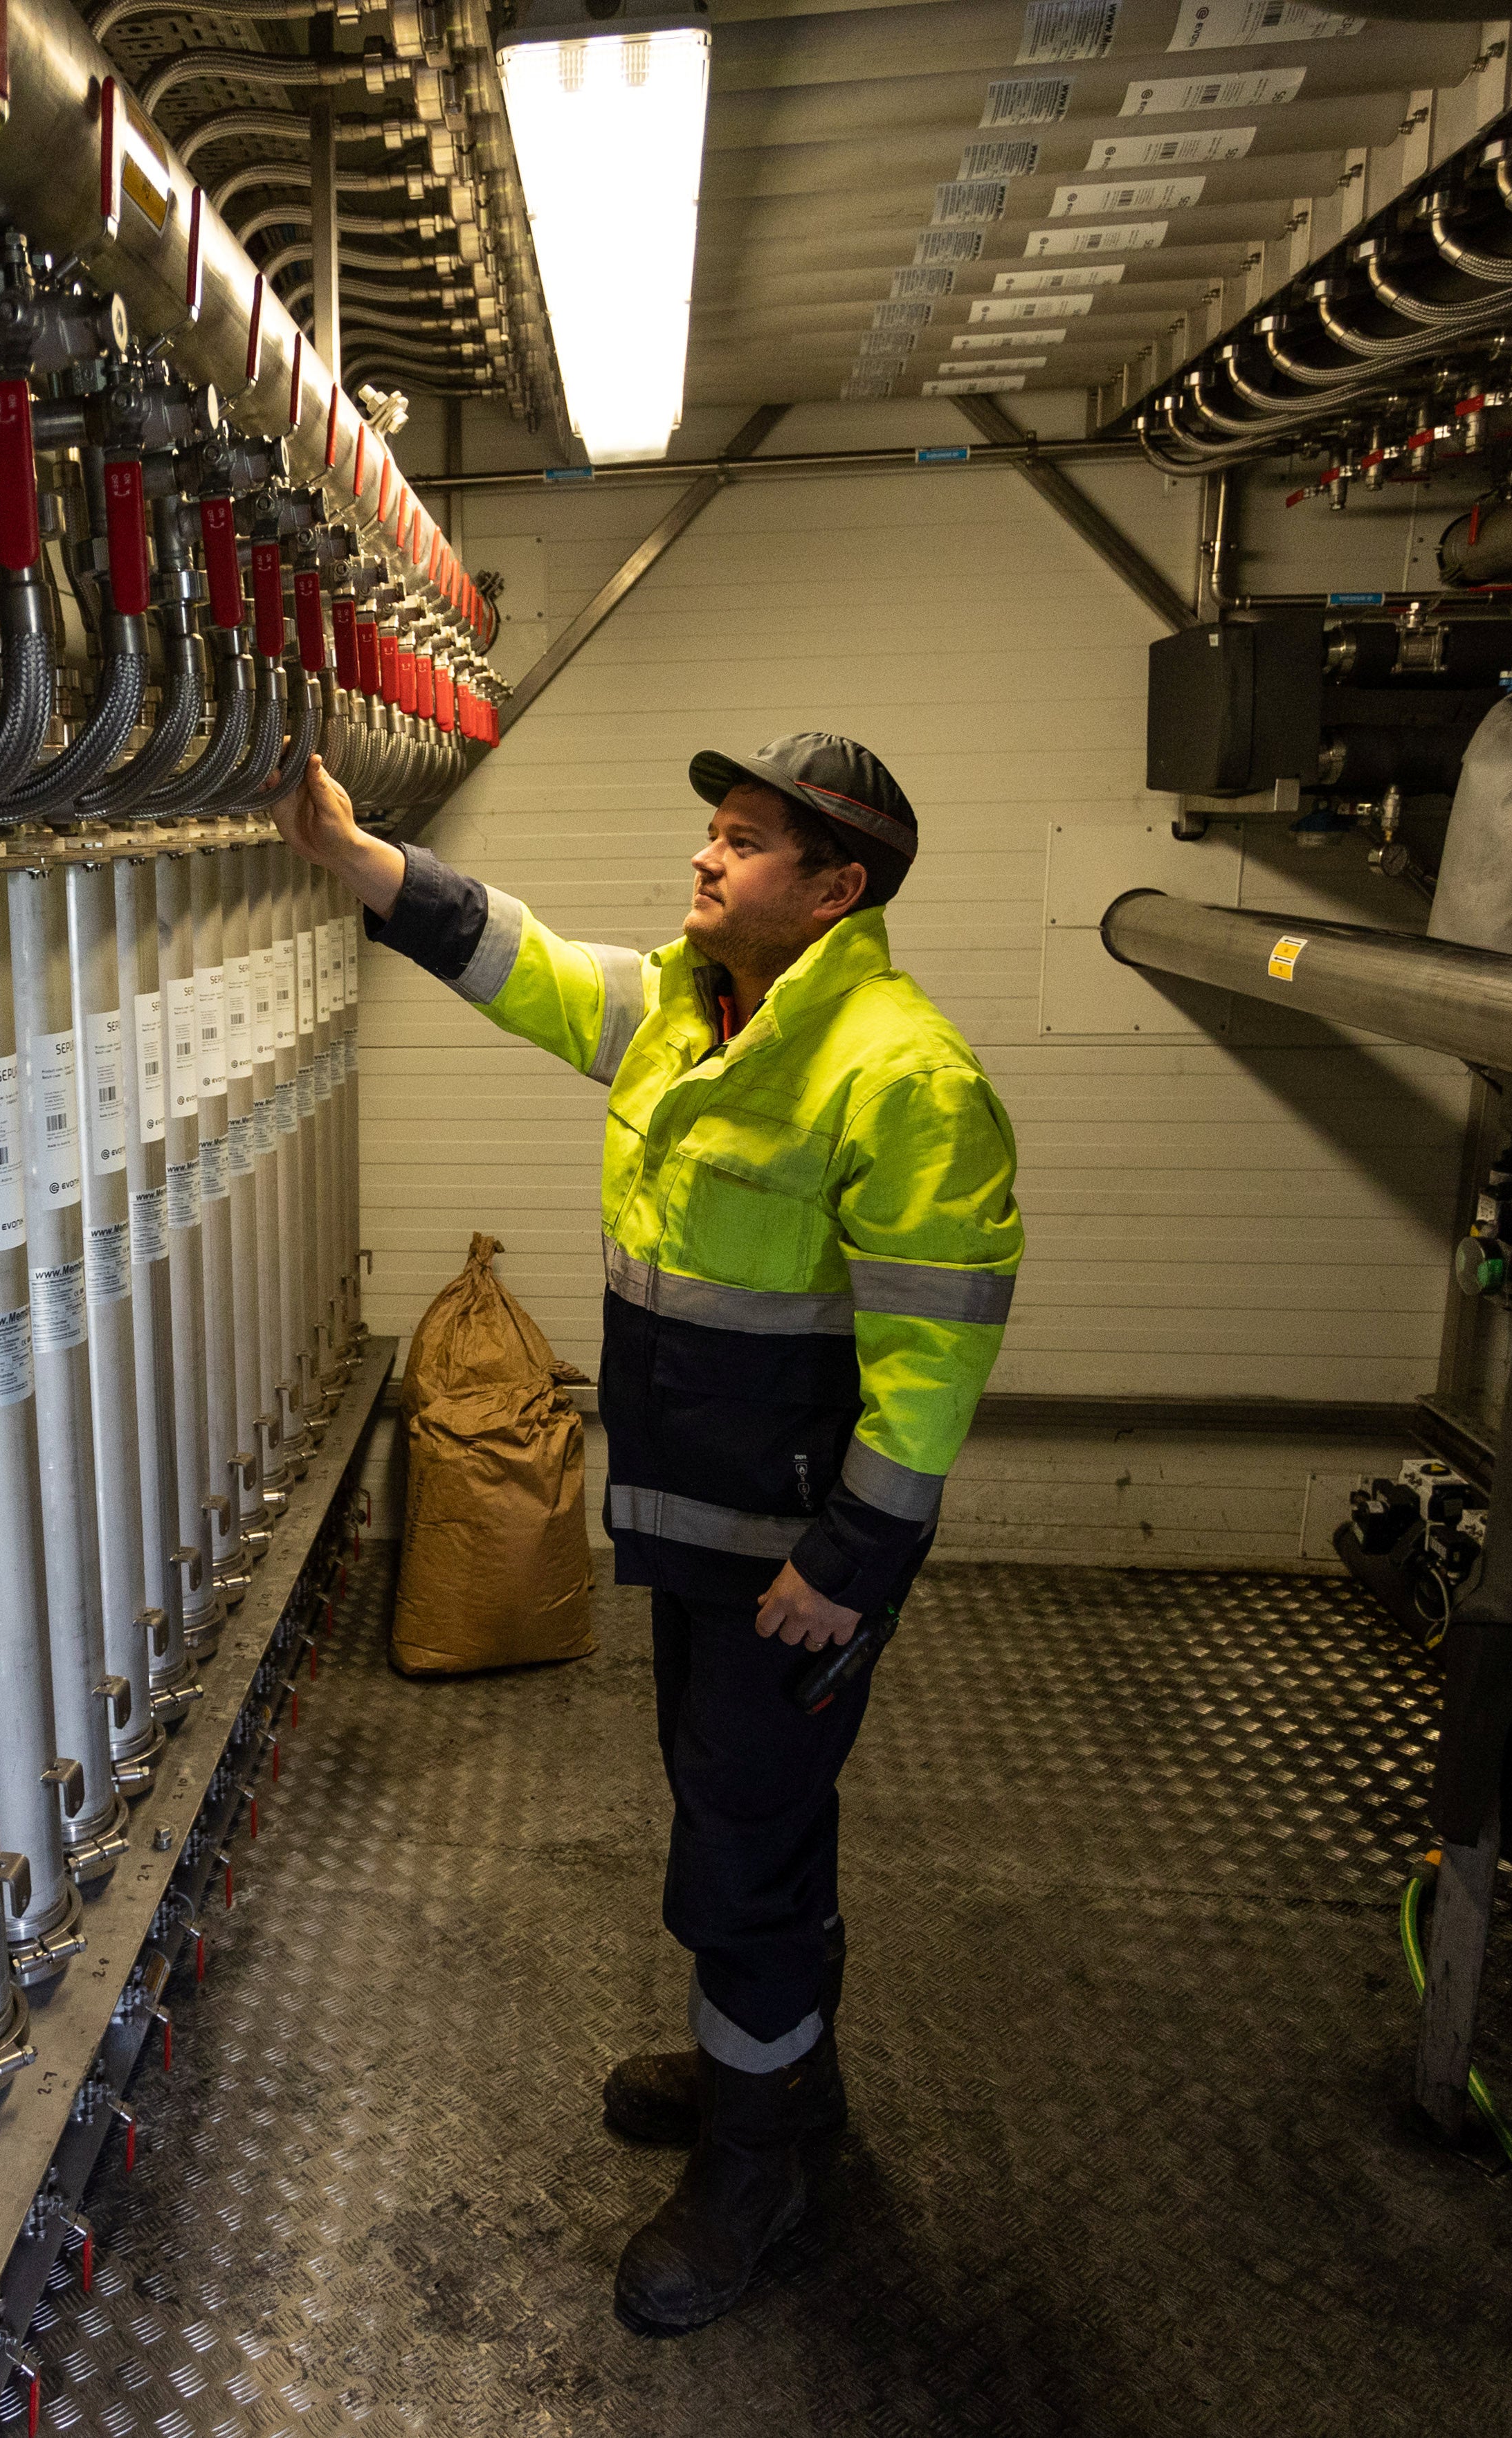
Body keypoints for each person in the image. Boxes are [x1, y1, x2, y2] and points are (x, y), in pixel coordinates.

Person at [270, 732, 1021, 2336]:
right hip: (693, 1529)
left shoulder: (899, 1070)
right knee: (736, 1806)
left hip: (792, 1560)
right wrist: (354, 863)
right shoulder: (689, 1013)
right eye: (713, 829)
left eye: (745, 842)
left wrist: (850, 1561)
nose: (705, 857)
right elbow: (521, 961)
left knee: (737, 1849)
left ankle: (760, 2162)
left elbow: (937, 1349)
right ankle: (779, 2075)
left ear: (837, 889)